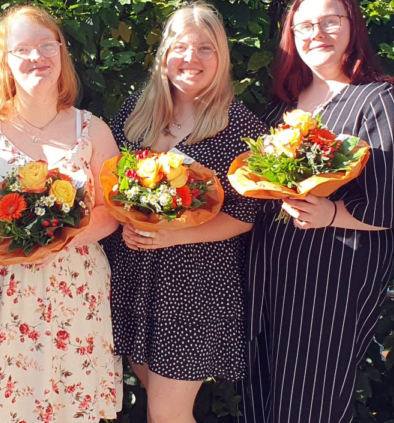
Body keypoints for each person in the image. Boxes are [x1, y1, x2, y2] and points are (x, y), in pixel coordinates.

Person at [236, 0, 394, 420]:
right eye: (305, 25)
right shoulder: (284, 106)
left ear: (353, 27)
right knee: (261, 396)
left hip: (331, 276)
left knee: (310, 401)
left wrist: (332, 214)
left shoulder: (381, 100)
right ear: (290, 36)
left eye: (330, 21)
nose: (317, 33)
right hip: (268, 271)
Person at [0, 5, 122, 422]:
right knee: (2, 402)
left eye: (46, 46)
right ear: (4, 62)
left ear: (61, 53)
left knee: (69, 401)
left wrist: (53, 244)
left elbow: (109, 212)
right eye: (22, 49)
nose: (37, 57)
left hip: (74, 286)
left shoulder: (92, 129)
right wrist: (15, 245)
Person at [98, 3, 266, 422]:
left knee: (168, 415)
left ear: (222, 56)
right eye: (181, 47)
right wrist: (126, 223)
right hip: (136, 279)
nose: (191, 59)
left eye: (205, 49)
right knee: (159, 402)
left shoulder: (242, 129)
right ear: (164, 54)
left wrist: (174, 235)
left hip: (195, 288)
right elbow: (107, 182)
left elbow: (246, 215)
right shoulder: (136, 115)